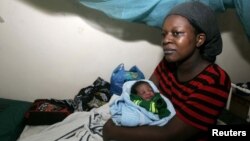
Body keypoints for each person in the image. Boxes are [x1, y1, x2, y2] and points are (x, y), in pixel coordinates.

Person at [103, 1, 231, 141]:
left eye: (176, 33)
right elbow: (145, 95)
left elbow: (170, 135)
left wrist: (112, 131)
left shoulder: (215, 81)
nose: (166, 40)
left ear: (199, 39)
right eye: (164, 34)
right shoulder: (169, 63)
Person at [109, 80, 175, 127]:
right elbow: (131, 99)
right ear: (137, 96)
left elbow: (163, 106)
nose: (148, 93)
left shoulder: (157, 98)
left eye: (150, 90)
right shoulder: (137, 100)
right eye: (143, 92)